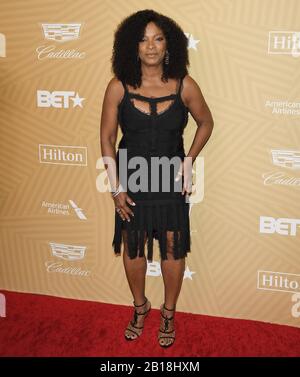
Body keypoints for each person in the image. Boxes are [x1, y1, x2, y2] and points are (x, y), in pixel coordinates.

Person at [100, 9, 214, 348]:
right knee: (133, 249)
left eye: (158, 38)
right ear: (131, 46)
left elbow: (206, 122)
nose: (151, 46)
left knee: (172, 249)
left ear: (170, 46)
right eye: (143, 39)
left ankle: (168, 313)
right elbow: (106, 138)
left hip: (169, 179)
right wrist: (116, 187)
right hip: (132, 179)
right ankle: (140, 307)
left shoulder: (185, 85)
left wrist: (189, 161)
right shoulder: (118, 86)